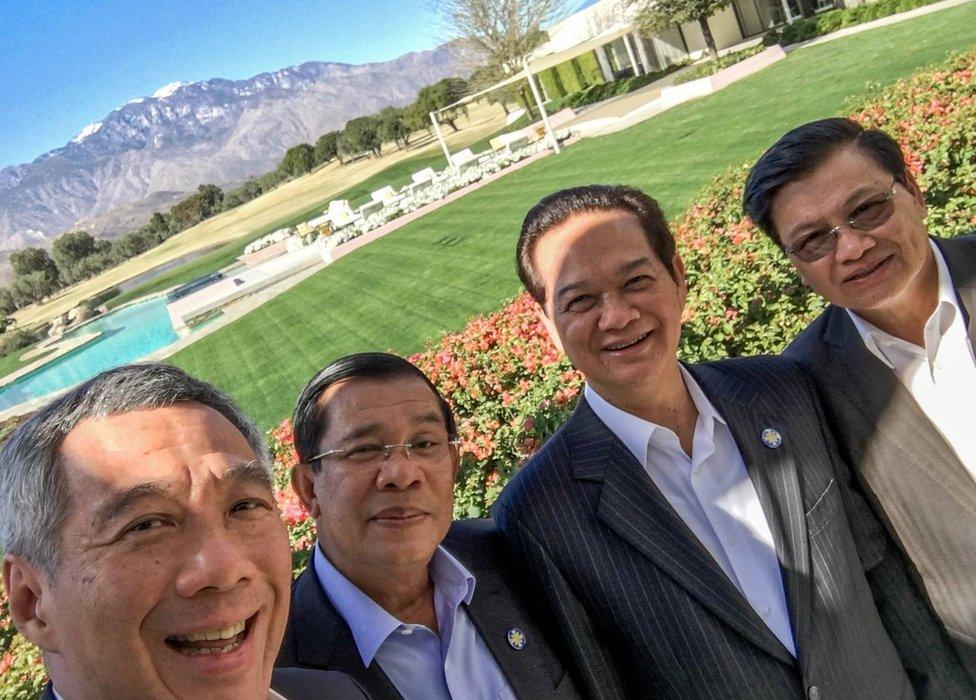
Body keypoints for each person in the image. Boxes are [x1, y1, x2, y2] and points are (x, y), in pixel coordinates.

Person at [494, 184, 913, 698]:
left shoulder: (785, 391)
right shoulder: (540, 513)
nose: (618, 315)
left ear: (677, 278)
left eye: (636, 280)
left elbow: (884, 577)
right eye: (580, 300)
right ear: (548, 324)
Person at [743, 116, 976, 686]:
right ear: (797, 266)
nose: (851, 247)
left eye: (866, 209)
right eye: (813, 240)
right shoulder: (802, 392)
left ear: (913, 193)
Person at [0, 363, 364, 700]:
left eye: (244, 506)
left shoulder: (338, 693)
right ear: (32, 601)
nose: (224, 569)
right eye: (145, 525)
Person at [278, 352, 581, 699]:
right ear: (308, 489)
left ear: (453, 464)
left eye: (423, 444)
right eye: (363, 449)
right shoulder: (273, 674)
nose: (402, 474)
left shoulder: (515, 560)